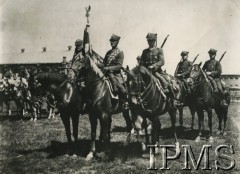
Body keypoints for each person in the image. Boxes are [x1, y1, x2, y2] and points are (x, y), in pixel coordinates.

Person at [139, 33, 182, 107]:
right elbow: (141, 63)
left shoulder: (159, 50)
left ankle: (173, 101)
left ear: (154, 41)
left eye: (151, 41)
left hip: (156, 72)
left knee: (167, 83)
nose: (149, 42)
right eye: (148, 41)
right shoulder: (144, 51)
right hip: (146, 72)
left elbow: (162, 61)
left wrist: (154, 66)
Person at [99, 34, 128, 109]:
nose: (111, 42)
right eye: (111, 41)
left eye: (113, 41)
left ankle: (125, 103)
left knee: (122, 89)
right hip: (105, 73)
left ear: (117, 42)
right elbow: (103, 63)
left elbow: (119, 66)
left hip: (116, 74)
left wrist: (108, 68)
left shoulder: (120, 52)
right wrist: (97, 65)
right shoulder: (108, 52)